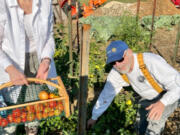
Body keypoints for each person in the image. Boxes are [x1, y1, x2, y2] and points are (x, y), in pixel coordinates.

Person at [87, 40, 180, 135]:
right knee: (140, 125)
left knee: (153, 125)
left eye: (120, 59)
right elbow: (106, 95)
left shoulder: (151, 61)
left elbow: (178, 85)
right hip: (149, 98)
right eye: (113, 63)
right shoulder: (116, 73)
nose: (117, 65)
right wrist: (94, 117)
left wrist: (162, 103)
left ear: (129, 53)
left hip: (169, 93)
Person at [0, 0, 57, 134]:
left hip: (37, 62)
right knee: (9, 115)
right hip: (8, 63)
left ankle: (31, 128)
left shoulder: (45, 2)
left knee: (34, 108)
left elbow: (49, 36)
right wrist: (10, 68)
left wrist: (46, 60)